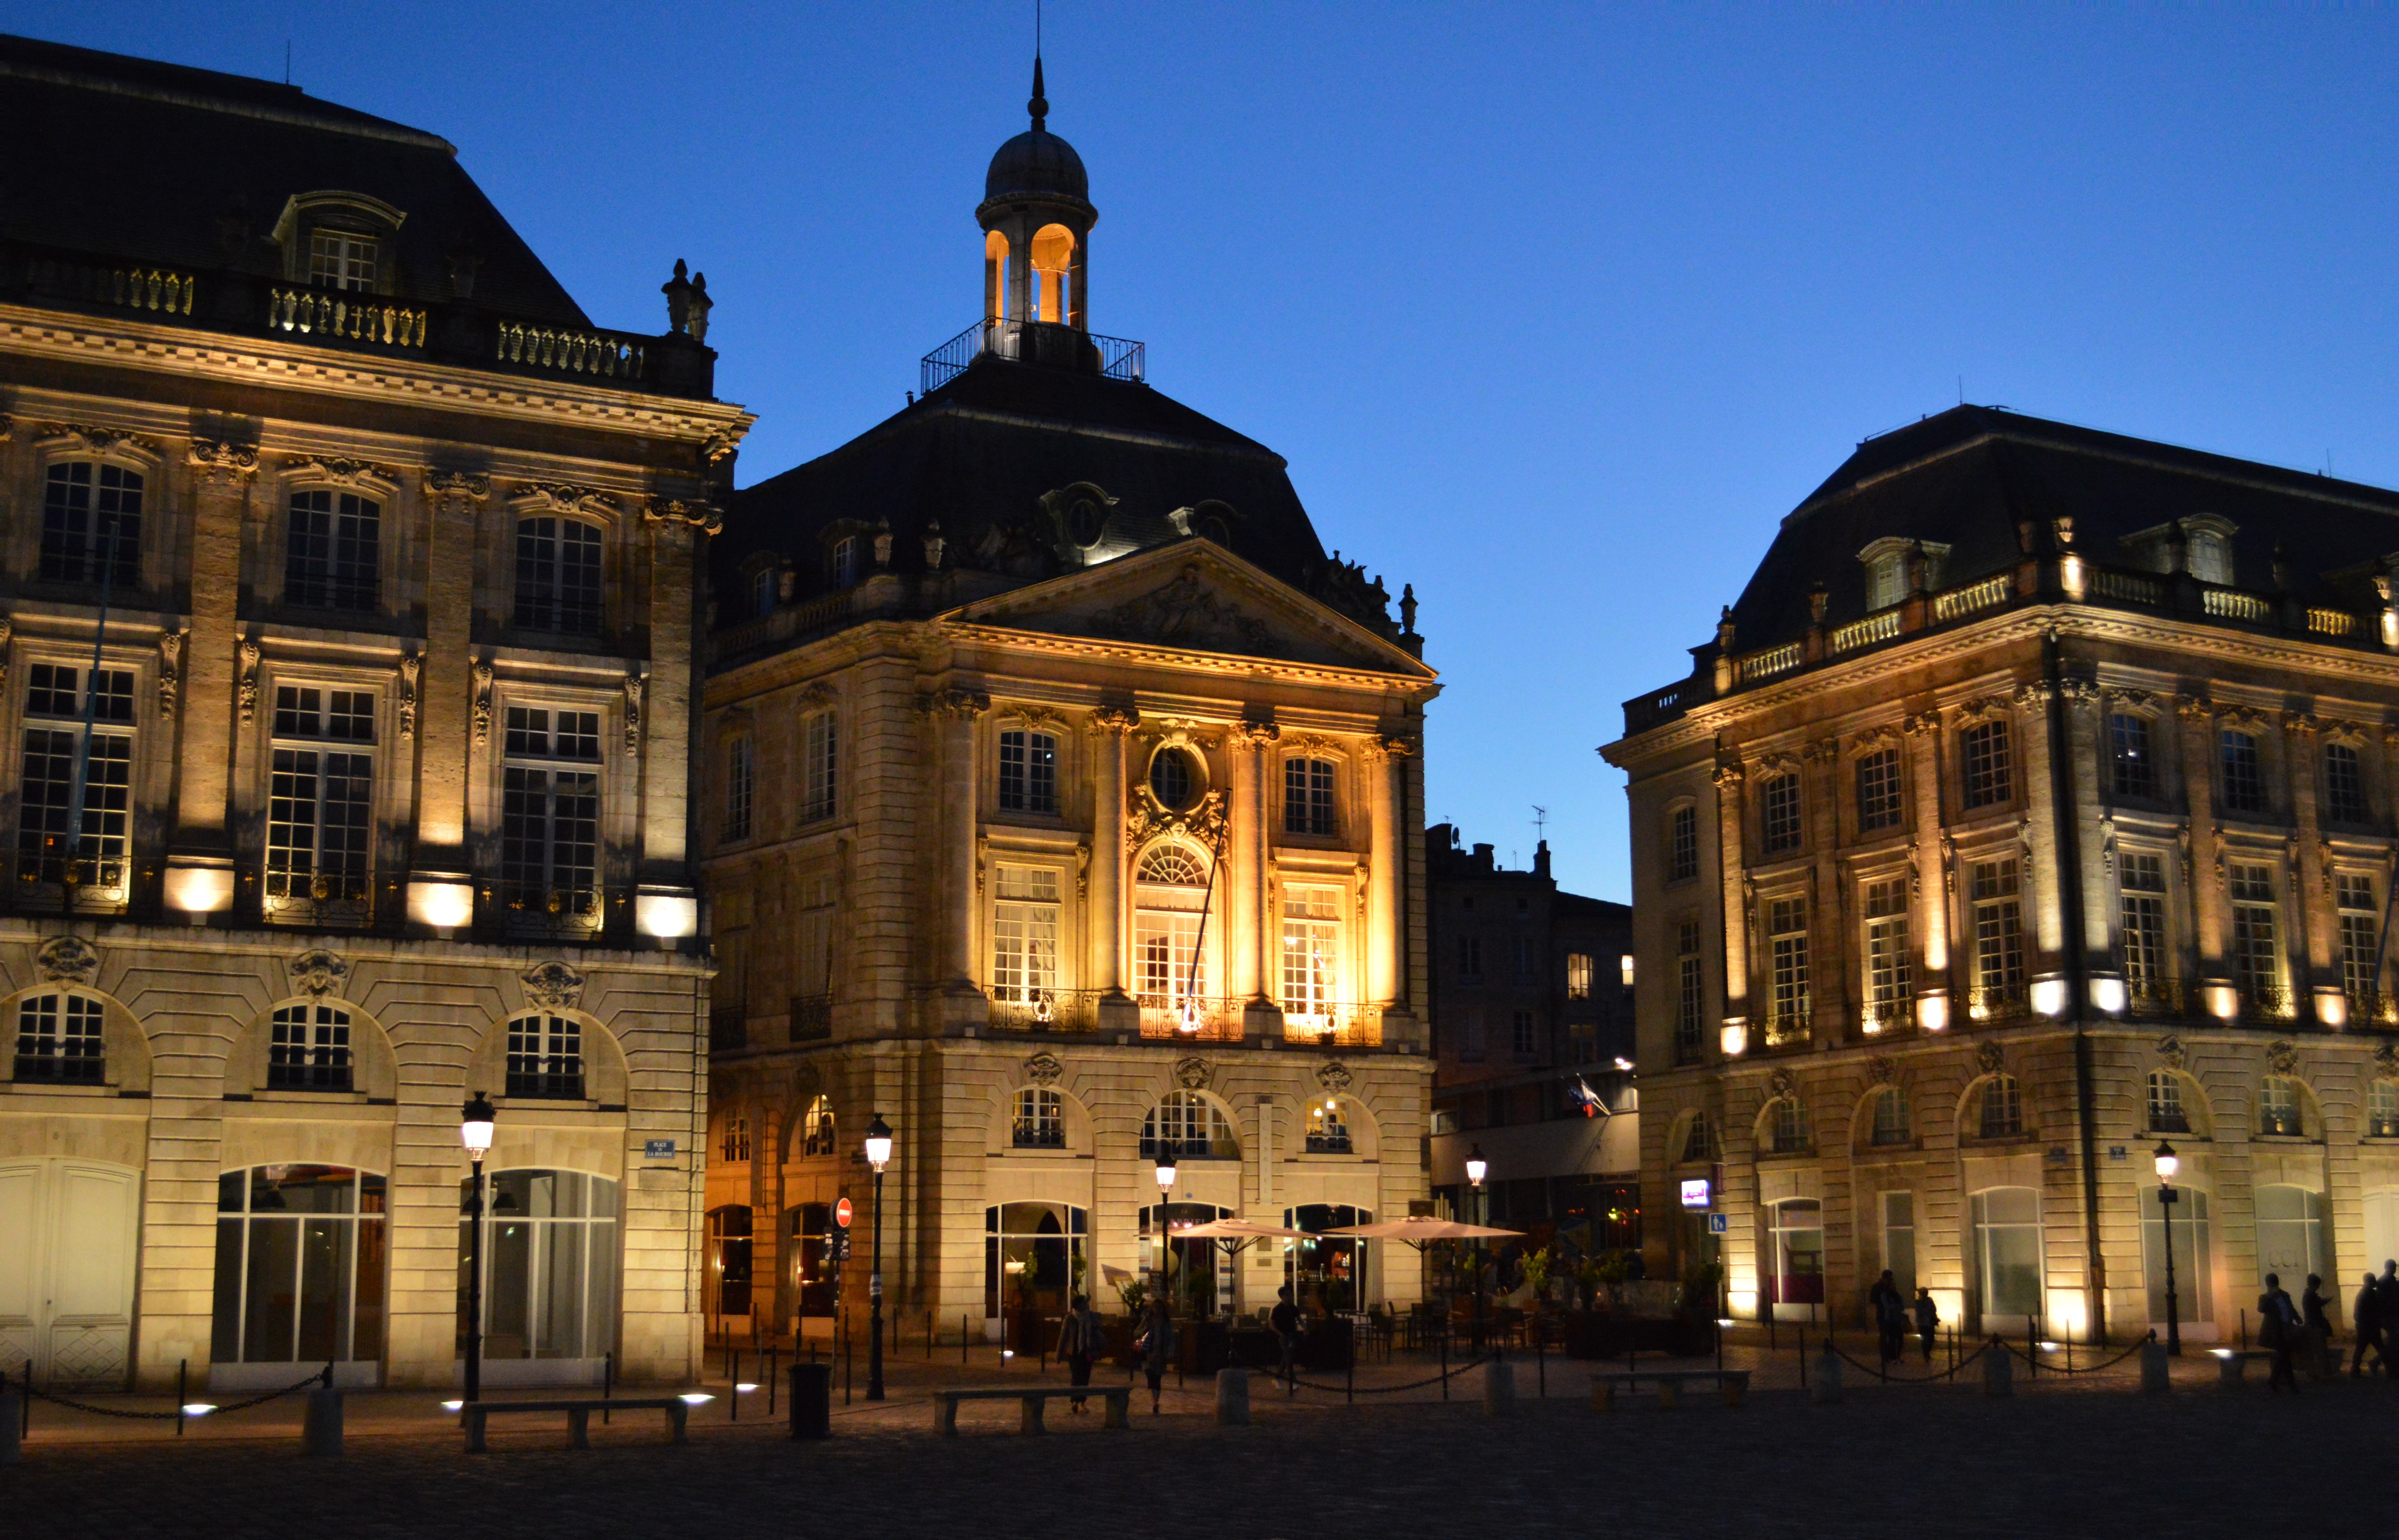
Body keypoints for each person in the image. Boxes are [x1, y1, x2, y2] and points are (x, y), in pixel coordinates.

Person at [1057, 1292, 1102, 1412]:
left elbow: (1099, 1328)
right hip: (1074, 1352)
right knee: (1076, 1377)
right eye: (1084, 1303)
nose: (1086, 1305)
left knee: (1085, 1377)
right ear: (1078, 1305)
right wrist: (1059, 1354)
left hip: (1088, 1351)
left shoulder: (1091, 1317)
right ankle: (1074, 1401)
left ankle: (1082, 1402)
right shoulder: (1070, 1318)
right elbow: (1063, 1337)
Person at [2257, 1272, 2300, 1393]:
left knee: (2285, 1356)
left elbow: (2290, 1308)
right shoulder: (2266, 1297)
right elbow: (2261, 1309)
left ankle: (2278, 1382)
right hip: (2274, 1332)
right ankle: (2285, 1383)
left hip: (2284, 1330)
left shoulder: (2284, 1295)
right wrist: (2269, 1296)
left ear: (2268, 1283)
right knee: (2285, 1356)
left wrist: (2297, 1318)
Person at [1137, 1296, 1176, 1414]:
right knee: (1150, 1377)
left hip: (1160, 1354)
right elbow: (1137, 1331)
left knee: (1158, 1378)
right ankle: (1154, 1402)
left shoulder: (1166, 1323)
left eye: (1159, 1307)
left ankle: (1156, 1401)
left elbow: (1171, 1339)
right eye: (1155, 1307)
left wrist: (1170, 1352)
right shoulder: (1148, 1321)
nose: (1157, 1310)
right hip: (1148, 1352)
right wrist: (1144, 1330)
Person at [1867, 1269, 1906, 1366]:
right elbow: (1872, 1300)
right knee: (1884, 1336)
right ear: (1885, 1278)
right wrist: (1883, 1303)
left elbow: (1897, 1298)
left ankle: (1892, 1357)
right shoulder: (1877, 1287)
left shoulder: (1889, 1287)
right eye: (1890, 1278)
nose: (1891, 1280)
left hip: (1893, 1316)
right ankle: (1885, 1358)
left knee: (1894, 1337)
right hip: (1882, 1315)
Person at [1269, 1284, 1301, 1396]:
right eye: (1287, 1295)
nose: (1290, 1297)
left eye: (1290, 1294)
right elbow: (1272, 1324)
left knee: (1287, 1357)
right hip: (1284, 1337)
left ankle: (1277, 1378)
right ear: (1282, 1296)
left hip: (1292, 1335)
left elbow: (1299, 1319)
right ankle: (1294, 1382)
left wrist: (1305, 1328)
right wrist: (1280, 1333)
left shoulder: (1293, 1308)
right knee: (1288, 1359)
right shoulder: (1278, 1309)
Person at [2351, 1270, 2384, 1377]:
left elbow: (2358, 1315)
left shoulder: (2364, 1294)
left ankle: (2355, 1371)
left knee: (2360, 1350)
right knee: (2381, 1349)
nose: (2375, 1283)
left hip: (2364, 1327)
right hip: (2370, 1328)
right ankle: (2373, 1365)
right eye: (2373, 1281)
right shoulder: (2369, 1295)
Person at [2300, 1274, 2334, 1380]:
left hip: (2311, 1324)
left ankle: (2314, 1372)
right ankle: (2320, 1372)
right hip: (2314, 1325)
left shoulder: (2308, 1294)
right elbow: (2318, 1304)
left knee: (2314, 1350)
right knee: (2320, 1349)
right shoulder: (2311, 1295)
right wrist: (2327, 1300)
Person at [1912, 1286, 1940, 1364]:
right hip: (1922, 1324)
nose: (1925, 1295)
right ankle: (1926, 1355)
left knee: (1931, 1339)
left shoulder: (1930, 1300)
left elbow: (1934, 1309)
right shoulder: (1918, 1302)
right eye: (1923, 1294)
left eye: (1926, 1293)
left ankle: (1927, 1353)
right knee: (1924, 1340)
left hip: (1930, 1322)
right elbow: (1920, 1312)